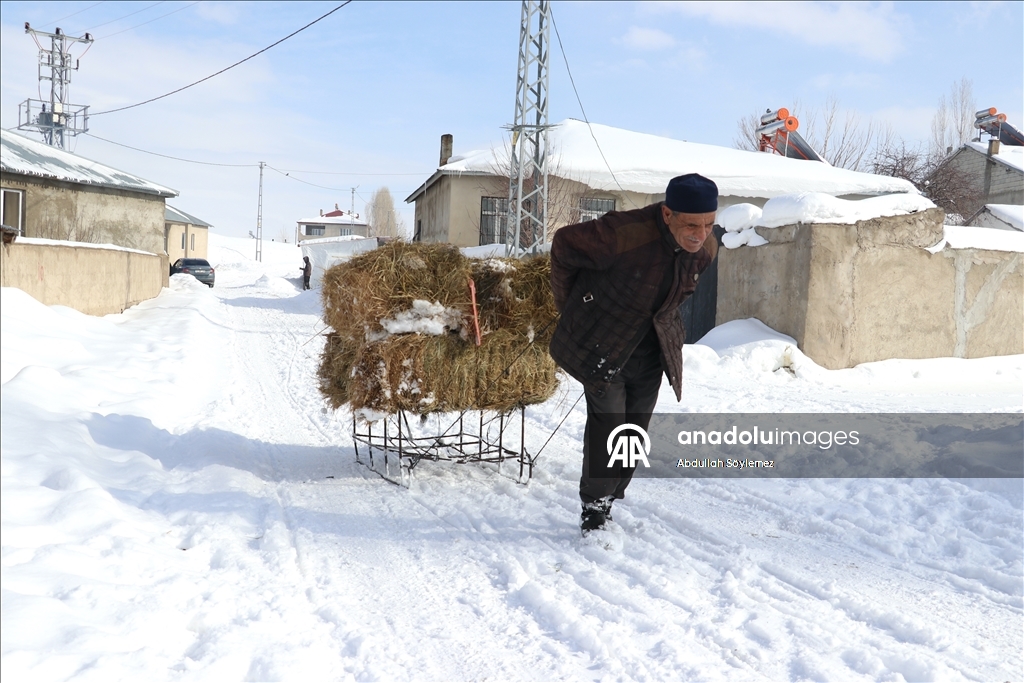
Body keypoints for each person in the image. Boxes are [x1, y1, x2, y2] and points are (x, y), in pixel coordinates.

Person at [549, 173, 720, 535]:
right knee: (608, 427)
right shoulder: (623, 234)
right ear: (667, 214)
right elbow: (564, 245)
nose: (700, 233)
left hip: (651, 349)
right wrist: (572, 307)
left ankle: (611, 497)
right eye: (692, 224)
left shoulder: (705, 248)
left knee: (633, 432)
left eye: (708, 224)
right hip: (602, 344)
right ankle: (594, 509)